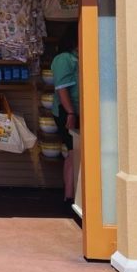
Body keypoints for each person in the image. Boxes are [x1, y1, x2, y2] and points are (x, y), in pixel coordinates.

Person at [50, 25, 79, 204]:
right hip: (67, 111)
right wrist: (70, 113)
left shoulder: (75, 58)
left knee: (74, 151)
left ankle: (73, 195)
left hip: (76, 111)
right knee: (73, 152)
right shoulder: (64, 59)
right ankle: (69, 197)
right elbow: (61, 89)